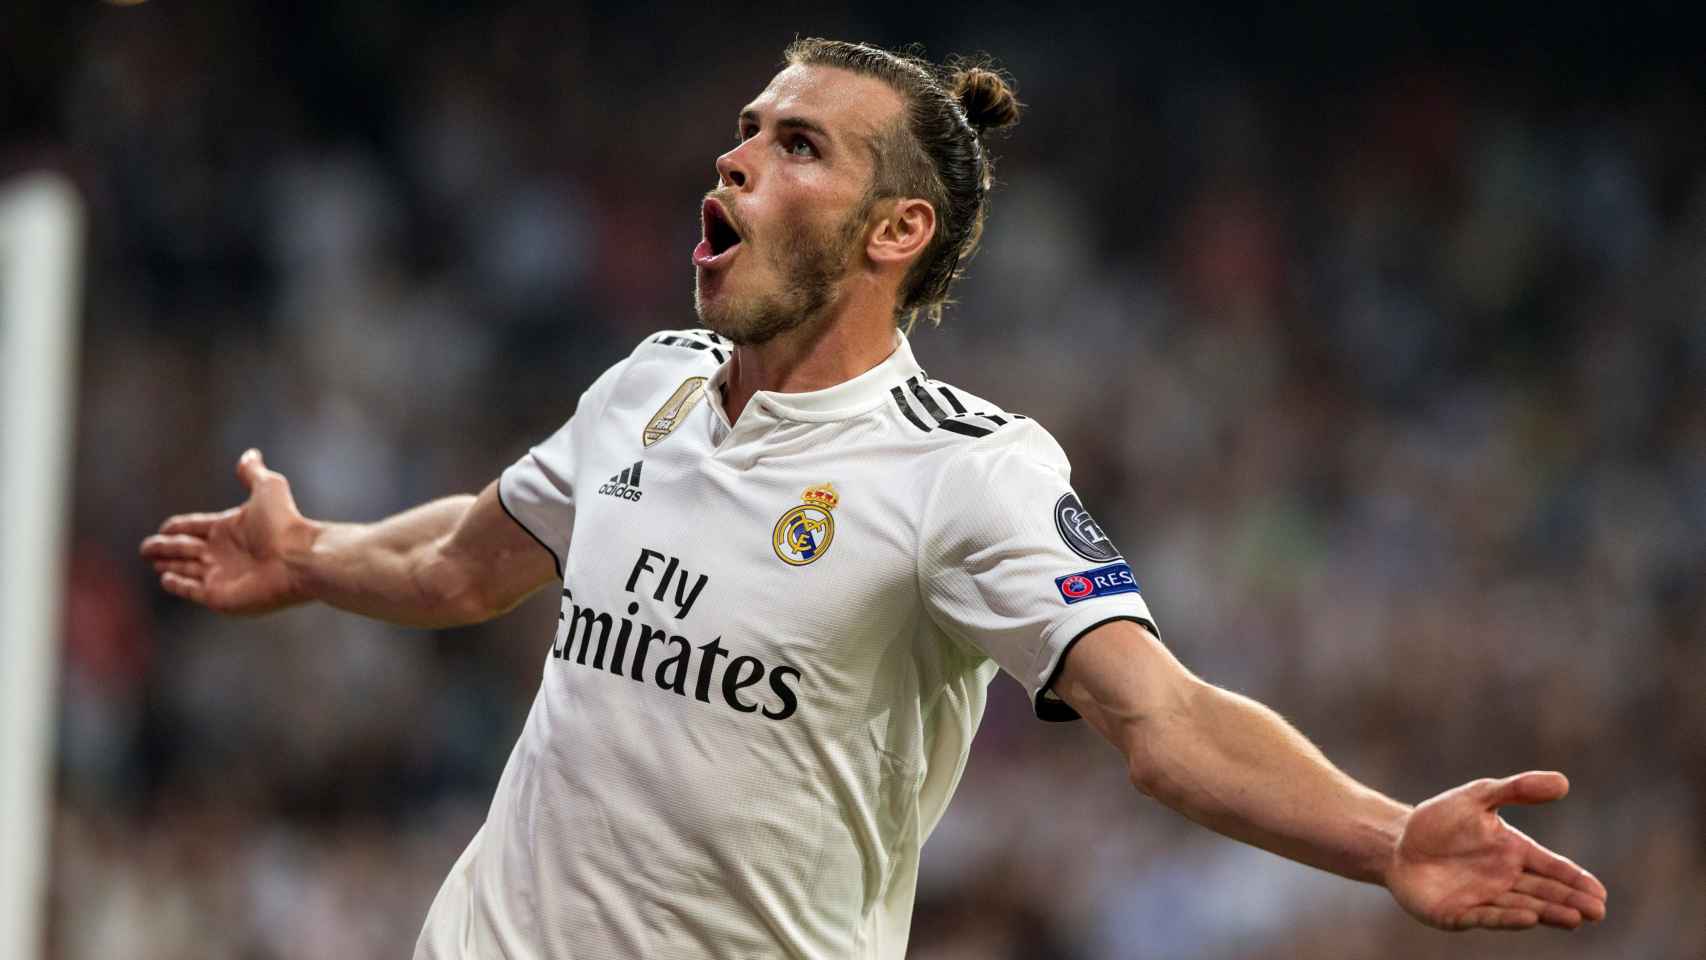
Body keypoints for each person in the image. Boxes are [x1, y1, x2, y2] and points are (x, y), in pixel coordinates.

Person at [140, 38, 1607, 960]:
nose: (735, 154)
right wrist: (317, 554)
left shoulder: (966, 468)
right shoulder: (646, 382)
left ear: (896, 229)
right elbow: (471, 560)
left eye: (798, 145)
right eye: (744, 127)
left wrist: (1378, 836)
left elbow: (1159, 722)